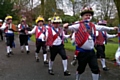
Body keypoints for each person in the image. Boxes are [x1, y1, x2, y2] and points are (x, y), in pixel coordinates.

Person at [63, 6, 118, 80]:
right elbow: (69, 28)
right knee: (81, 69)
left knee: (95, 69)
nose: (88, 16)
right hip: (82, 53)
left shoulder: (93, 26)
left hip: (91, 52)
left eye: (89, 15)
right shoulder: (78, 25)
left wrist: (112, 28)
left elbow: (102, 28)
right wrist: (65, 26)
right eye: (86, 15)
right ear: (82, 16)